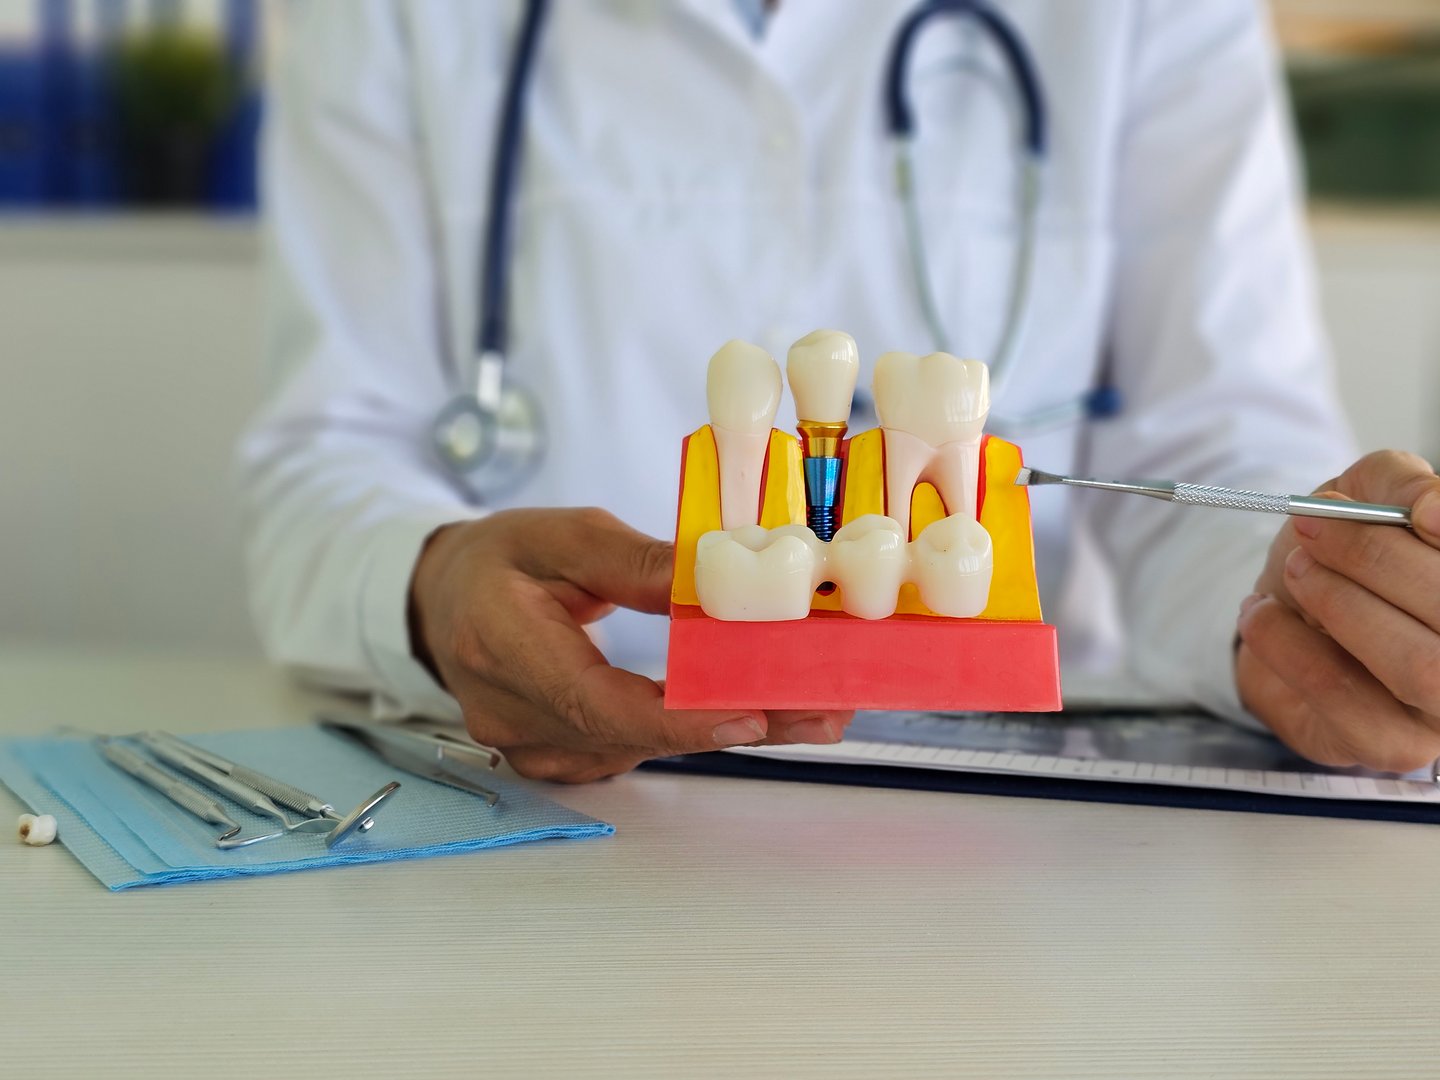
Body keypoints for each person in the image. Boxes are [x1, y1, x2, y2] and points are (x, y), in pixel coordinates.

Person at [238, 1, 1440, 783]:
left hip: (1011, 842)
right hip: (538, 825)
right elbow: (327, 463)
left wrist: (1313, 614)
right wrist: (431, 581)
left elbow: (1217, 454)